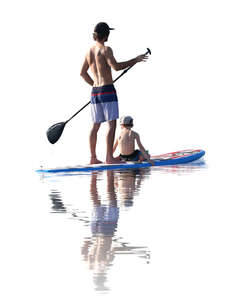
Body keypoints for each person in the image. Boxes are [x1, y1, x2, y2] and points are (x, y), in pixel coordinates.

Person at [80, 22, 148, 164]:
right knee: (111, 125)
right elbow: (116, 67)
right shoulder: (106, 49)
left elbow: (82, 73)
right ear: (106, 35)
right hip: (107, 90)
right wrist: (135, 59)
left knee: (95, 125)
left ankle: (93, 158)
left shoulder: (89, 51)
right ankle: (109, 158)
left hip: (95, 93)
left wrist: (95, 85)